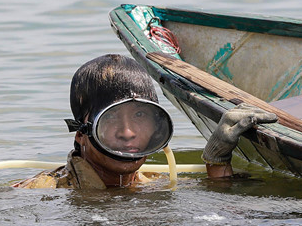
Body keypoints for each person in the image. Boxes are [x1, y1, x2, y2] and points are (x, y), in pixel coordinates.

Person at [15, 54, 277, 190]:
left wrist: (217, 161)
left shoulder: (157, 182)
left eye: (140, 116)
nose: (127, 133)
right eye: (111, 118)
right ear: (81, 133)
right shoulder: (43, 192)